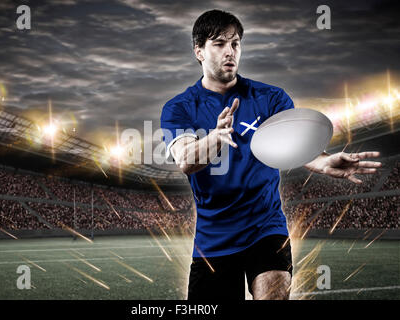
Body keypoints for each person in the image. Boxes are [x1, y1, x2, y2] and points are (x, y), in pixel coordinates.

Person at [160, 9, 381, 300]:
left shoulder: (271, 97)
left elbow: (293, 144)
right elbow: (186, 160)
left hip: (266, 228)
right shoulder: (179, 107)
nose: (230, 51)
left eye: (235, 43)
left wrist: (323, 160)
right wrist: (215, 138)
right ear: (199, 51)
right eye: (219, 43)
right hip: (213, 240)